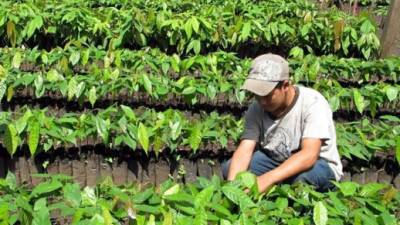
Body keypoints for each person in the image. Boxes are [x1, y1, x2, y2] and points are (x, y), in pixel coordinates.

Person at [222, 53, 343, 192]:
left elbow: (309, 155)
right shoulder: (256, 107)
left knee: (301, 181)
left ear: (285, 85)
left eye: (267, 95)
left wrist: (266, 179)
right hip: (274, 159)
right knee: (231, 171)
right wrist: (232, 189)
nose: (261, 101)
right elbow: (245, 149)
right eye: (257, 94)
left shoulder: (313, 102)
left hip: (319, 164)